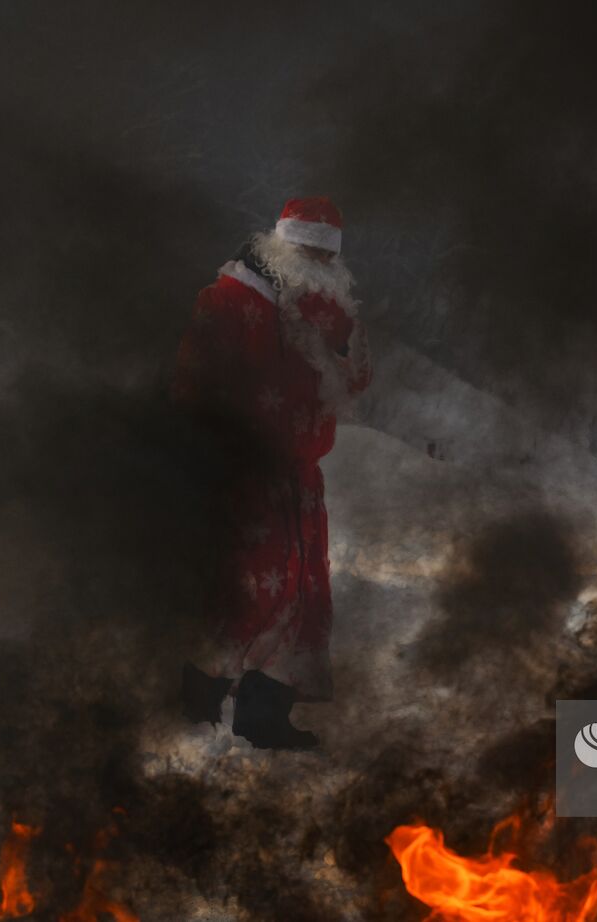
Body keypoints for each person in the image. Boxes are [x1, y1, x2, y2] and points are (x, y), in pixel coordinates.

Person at [173, 197, 370, 750]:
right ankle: (196, 705)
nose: (317, 259)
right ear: (284, 244)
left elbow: (355, 382)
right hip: (243, 471)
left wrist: (343, 346)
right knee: (240, 589)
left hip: (299, 478)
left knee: (299, 599)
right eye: (308, 249)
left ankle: (264, 716)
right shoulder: (229, 299)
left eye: (325, 252)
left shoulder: (329, 305)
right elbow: (191, 385)